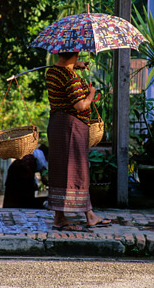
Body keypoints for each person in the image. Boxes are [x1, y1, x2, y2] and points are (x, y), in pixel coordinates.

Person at [45, 51, 111, 230]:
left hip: (58, 124)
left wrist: (76, 65)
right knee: (76, 170)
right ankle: (69, 218)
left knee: (61, 170)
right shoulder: (71, 78)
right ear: (74, 55)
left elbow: (63, 70)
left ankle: (83, 215)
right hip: (71, 127)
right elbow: (80, 105)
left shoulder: (52, 72)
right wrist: (91, 94)